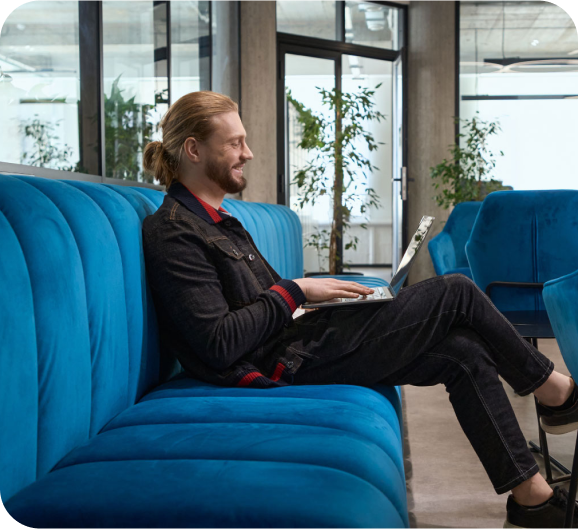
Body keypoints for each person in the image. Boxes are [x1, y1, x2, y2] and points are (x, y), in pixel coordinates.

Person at [141, 91, 578, 529]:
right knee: (457, 292)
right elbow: (218, 343)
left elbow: (263, 302)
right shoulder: (173, 231)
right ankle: (554, 391)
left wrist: (317, 298)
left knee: (462, 351)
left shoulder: (218, 220)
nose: (248, 153)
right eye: (234, 143)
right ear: (194, 149)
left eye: (245, 141)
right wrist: (296, 290)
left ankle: (532, 500)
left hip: (297, 340)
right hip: (280, 362)